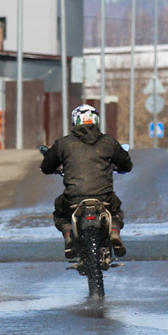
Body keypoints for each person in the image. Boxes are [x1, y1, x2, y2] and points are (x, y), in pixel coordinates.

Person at [40, 104, 132, 258]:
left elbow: (46, 167)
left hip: (73, 197)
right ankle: (114, 233)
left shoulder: (63, 143)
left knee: (60, 211)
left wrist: (54, 167)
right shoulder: (108, 142)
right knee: (116, 211)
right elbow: (127, 164)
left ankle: (69, 235)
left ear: (75, 122)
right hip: (104, 197)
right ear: (96, 120)